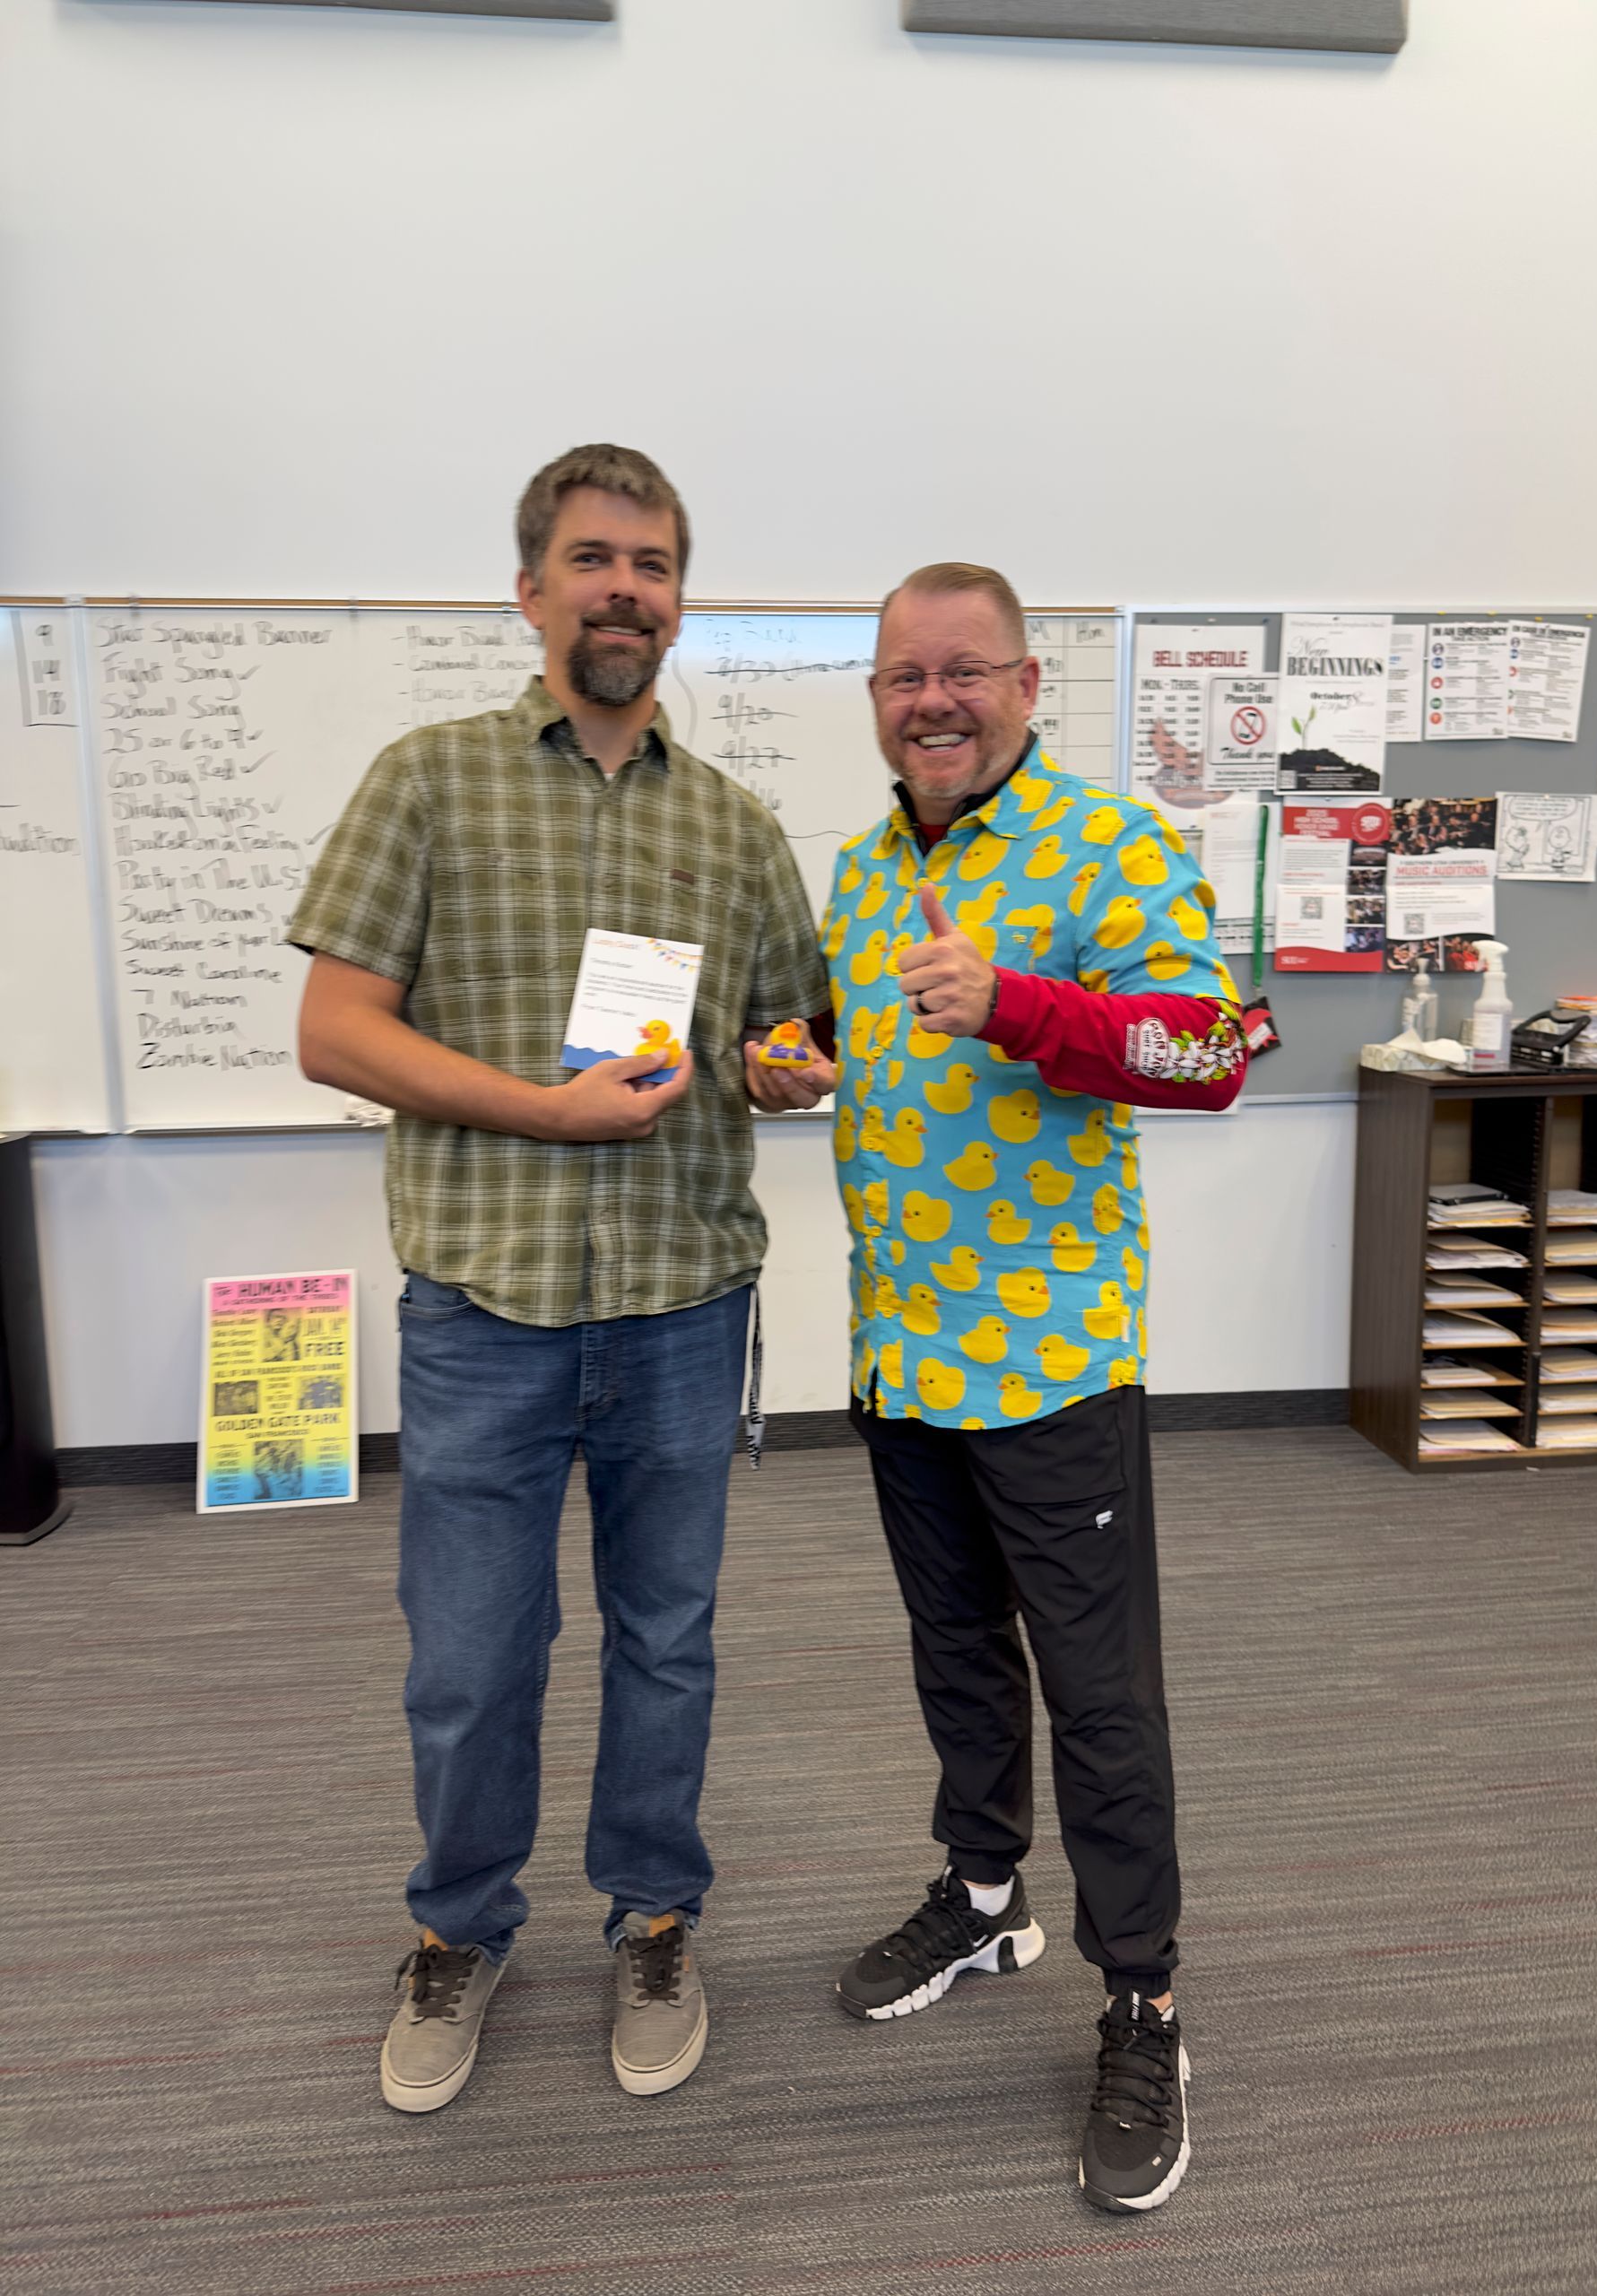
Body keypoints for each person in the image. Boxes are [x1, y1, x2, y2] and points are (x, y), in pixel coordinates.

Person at [287, 445, 829, 2114]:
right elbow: (334, 1034)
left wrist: (792, 1067)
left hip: (679, 1303)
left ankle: (655, 1915)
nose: (625, 590)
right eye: (594, 559)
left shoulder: (734, 828)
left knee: (667, 1640)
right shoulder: (427, 782)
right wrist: (544, 1110)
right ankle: (459, 1929)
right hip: (486, 1308)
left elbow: (780, 1030)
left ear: (678, 601)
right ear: (531, 590)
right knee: (471, 1654)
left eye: (653, 565)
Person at [821, 562, 1246, 2214]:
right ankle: (986, 1891)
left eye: (962, 672)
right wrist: (801, 1054)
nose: (930, 700)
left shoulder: (1108, 845)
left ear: (1026, 683)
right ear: (873, 699)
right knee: (953, 1654)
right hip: (900, 1346)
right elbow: (870, 1051)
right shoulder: (863, 872)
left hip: (1051, 1354)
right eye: (900, 677)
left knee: (1099, 1693)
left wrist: (1024, 1007)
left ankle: (1142, 1995)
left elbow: (1206, 1050)